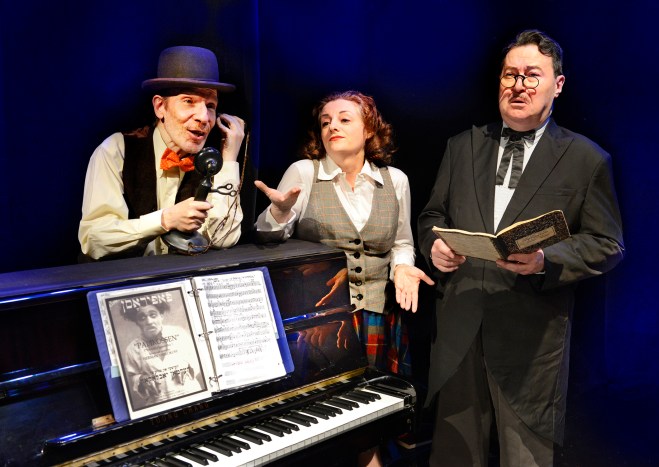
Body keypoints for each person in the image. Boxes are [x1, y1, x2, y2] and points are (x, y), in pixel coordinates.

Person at [417, 30, 625, 467]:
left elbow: (607, 243)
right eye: (511, 74)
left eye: (533, 75)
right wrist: (433, 247)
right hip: (460, 328)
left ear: (558, 84)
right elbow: (431, 217)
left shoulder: (587, 159)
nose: (519, 85)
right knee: (453, 455)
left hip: (531, 340)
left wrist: (546, 260)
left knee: (524, 460)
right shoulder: (462, 146)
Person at [255, 90, 434, 466]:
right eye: (325, 121)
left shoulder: (395, 180)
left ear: (369, 129)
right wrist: (279, 211)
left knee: (374, 415)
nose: (332, 125)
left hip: (376, 315)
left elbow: (402, 242)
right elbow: (268, 239)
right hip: (323, 321)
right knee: (329, 424)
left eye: (344, 119)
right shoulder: (305, 172)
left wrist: (402, 266)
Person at [79, 46, 245, 260]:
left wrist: (229, 159)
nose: (204, 117)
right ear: (160, 107)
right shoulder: (116, 150)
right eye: (189, 101)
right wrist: (165, 220)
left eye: (210, 105)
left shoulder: (210, 162)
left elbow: (223, 238)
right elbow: (94, 239)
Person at [121, 300, 204, 410]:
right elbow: (133, 376)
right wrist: (141, 379)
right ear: (137, 322)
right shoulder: (132, 349)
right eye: (142, 318)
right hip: (159, 403)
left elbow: (197, 358)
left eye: (153, 315)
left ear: (161, 316)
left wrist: (186, 365)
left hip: (190, 396)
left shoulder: (179, 333)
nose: (149, 321)